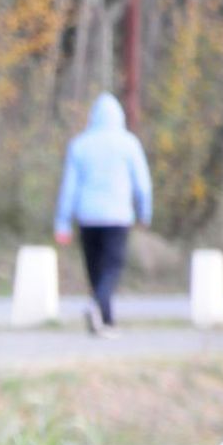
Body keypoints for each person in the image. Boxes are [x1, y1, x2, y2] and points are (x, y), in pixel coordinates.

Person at [53, 92, 153, 337]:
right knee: (111, 268)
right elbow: (143, 185)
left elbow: (69, 188)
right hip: (118, 217)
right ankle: (98, 308)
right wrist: (144, 212)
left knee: (95, 269)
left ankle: (105, 321)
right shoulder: (129, 143)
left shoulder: (80, 144)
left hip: (87, 217)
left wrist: (62, 223)